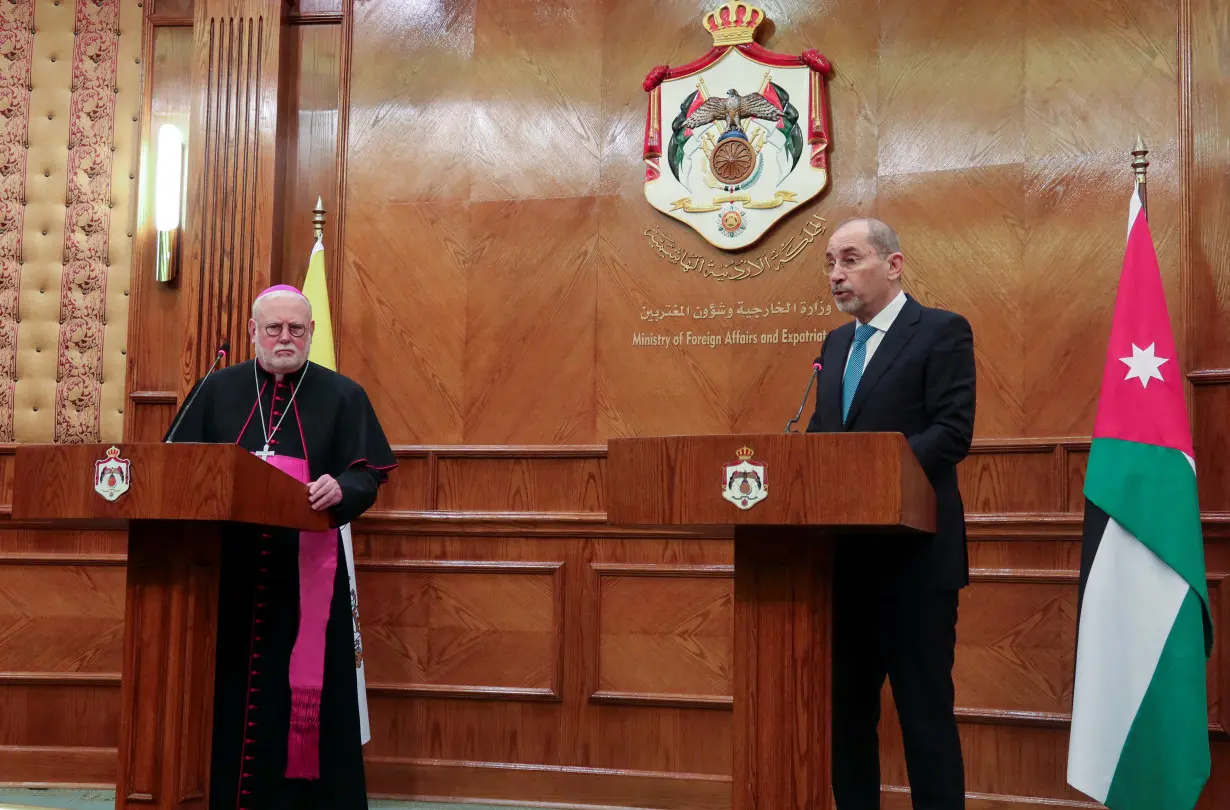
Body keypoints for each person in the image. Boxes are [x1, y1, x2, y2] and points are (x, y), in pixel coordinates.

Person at [165, 284, 397, 810]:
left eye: (296, 328)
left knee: (307, 698)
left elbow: (369, 476)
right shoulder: (216, 390)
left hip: (307, 582)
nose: (285, 338)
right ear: (253, 332)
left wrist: (341, 487)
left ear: (312, 333)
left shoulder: (343, 395)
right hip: (230, 578)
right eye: (274, 328)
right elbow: (175, 465)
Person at [805, 218, 976, 810]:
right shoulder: (832, 345)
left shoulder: (941, 332)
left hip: (916, 565)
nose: (835, 275)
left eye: (849, 260)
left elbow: (952, 433)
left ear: (894, 265)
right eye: (829, 263)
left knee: (923, 717)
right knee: (846, 720)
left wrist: (873, 476)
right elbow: (824, 437)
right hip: (844, 568)